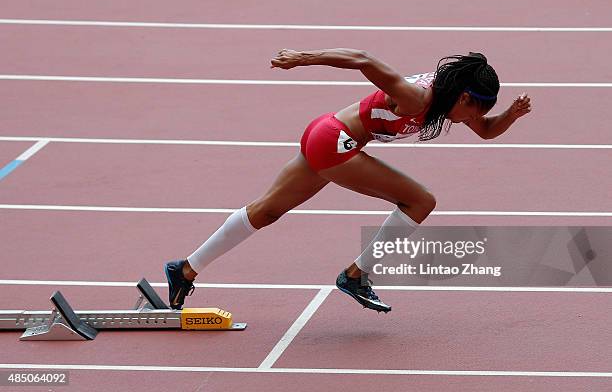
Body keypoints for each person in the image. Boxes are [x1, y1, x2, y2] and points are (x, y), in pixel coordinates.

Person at [164, 48, 532, 312]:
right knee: (421, 201)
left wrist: (511, 116)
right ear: (465, 96)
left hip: (323, 132)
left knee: (266, 211)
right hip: (336, 143)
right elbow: (364, 60)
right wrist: (302, 59)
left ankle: (184, 269)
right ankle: (356, 276)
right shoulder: (418, 96)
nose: (471, 118)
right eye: (473, 110)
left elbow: (485, 130)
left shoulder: (451, 99)